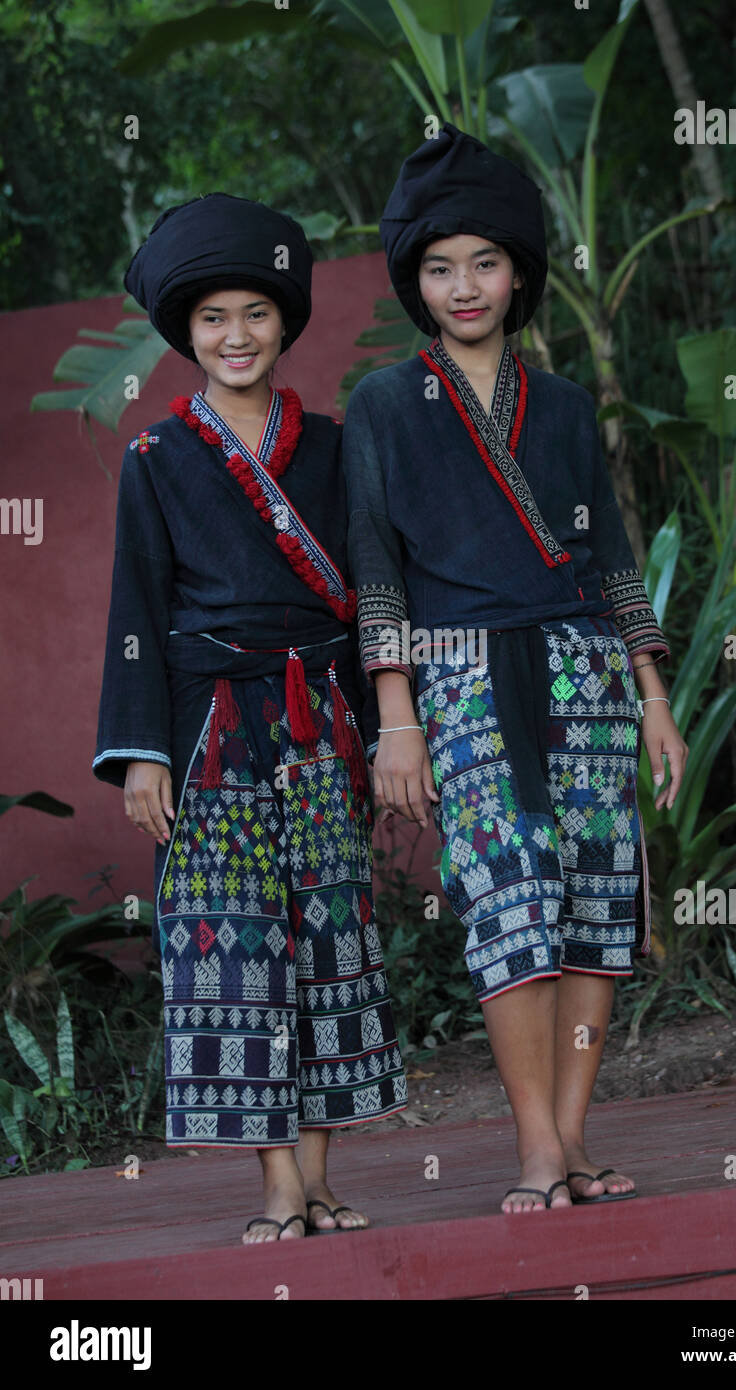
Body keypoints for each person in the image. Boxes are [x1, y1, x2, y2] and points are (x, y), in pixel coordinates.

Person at [342, 124, 688, 1214]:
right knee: (507, 908)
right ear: (415, 278)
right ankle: (535, 1146)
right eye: (439, 267)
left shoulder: (571, 408)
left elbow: (617, 563)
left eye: (484, 262)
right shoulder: (385, 406)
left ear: (519, 271)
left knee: (593, 912)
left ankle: (576, 1137)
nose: (463, 286)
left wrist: (655, 698)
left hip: (584, 670)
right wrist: (395, 715)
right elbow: (374, 565)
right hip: (459, 680)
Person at [93, 192, 407, 1242]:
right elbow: (136, 610)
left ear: (284, 325)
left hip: (321, 721)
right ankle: (276, 1185)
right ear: (187, 331)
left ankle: (318, 1178)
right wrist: (142, 755)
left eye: (256, 315)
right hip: (207, 730)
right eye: (215, 317)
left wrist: (379, 729)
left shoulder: (331, 445)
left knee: (328, 942)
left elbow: (369, 584)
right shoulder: (155, 459)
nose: (236, 336)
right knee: (238, 956)